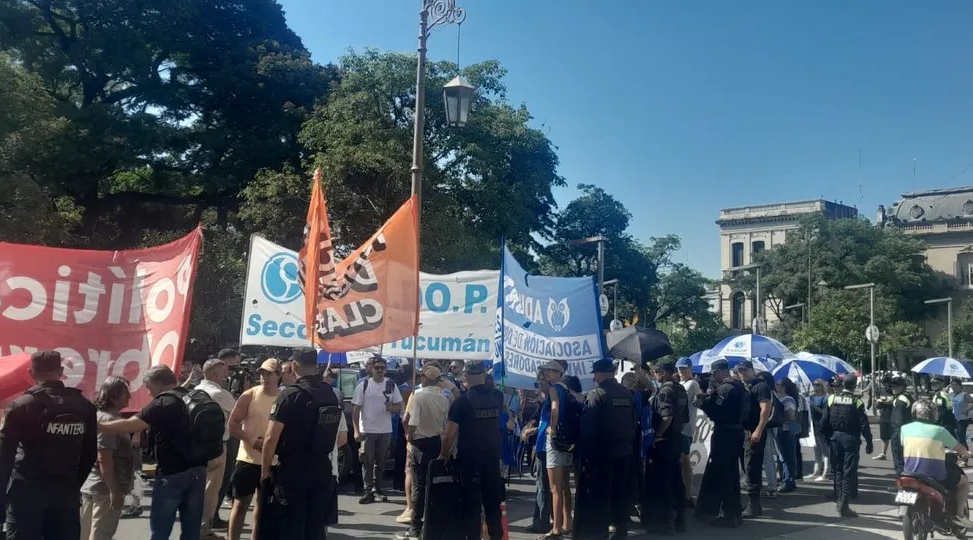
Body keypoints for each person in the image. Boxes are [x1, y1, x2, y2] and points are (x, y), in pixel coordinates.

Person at [100, 364, 210, 540]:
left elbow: (132, 424)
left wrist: (98, 426)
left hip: (171, 474)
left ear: (159, 383)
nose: (149, 393)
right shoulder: (192, 396)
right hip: (199, 470)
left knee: (160, 531)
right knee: (191, 529)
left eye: (149, 387)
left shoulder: (162, 402)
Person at [0, 350, 97, 540]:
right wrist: (72, 484)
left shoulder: (21, 406)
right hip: (65, 491)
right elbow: (90, 453)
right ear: (61, 371)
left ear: (31, 373)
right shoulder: (84, 405)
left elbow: (4, 458)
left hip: (27, 491)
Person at [260, 347, 344, 540]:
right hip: (321, 467)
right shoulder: (330, 393)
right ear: (315, 366)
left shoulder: (289, 395)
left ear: (294, 365)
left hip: (293, 470)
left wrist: (265, 472)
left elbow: (271, 438)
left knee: (292, 525)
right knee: (315, 526)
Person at [438, 361, 504, 540]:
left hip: (470, 462)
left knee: (471, 509)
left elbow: (448, 435)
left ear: (465, 376)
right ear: (484, 374)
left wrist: (443, 455)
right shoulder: (498, 397)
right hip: (492, 460)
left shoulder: (462, 401)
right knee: (493, 507)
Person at [573, 359, 634, 539]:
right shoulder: (626, 393)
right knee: (619, 491)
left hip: (600, 453)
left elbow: (588, 428)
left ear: (599, 374)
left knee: (600, 493)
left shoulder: (597, 394)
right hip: (623, 450)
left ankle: (598, 532)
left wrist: (581, 452)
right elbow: (632, 423)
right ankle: (621, 530)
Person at [226, 358, 281, 540]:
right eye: (262, 373)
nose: (264, 377)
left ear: (278, 376)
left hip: (272, 460)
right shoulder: (249, 395)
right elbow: (232, 424)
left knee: (262, 506)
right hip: (248, 459)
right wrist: (250, 439)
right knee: (240, 504)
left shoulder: (284, 397)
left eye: (269, 373)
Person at [396, 365, 450, 540]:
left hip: (420, 442)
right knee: (433, 485)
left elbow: (412, 421)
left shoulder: (419, 396)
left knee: (419, 485)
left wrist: (409, 437)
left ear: (426, 379)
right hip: (436, 441)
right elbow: (445, 423)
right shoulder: (443, 397)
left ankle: (415, 527)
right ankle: (431, 525)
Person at [901, 399, 973, 526]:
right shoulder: (939, 431)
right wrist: (967, 454)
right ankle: (960, 515)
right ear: (933, 414)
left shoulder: (905, 429)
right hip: (934, 476)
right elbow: (959, 448)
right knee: (963, 482)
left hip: (908, 473)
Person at [81, 377, 135, 540]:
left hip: (93, 484)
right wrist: (115, 492)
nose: (129, 397)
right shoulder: (109, 421)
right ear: (113, 397)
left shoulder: (98, 416)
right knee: (101, 533)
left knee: (84, 532)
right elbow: (104, 458)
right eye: (125, 394)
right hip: (104, 488)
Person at [695, 358, 746, 528]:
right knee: (732, 472)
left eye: (714, 373)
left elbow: (716, 412)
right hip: (737, 431)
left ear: (719, 372)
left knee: (724, 473)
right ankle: (735, 512)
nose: (713, 377)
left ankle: (729, 514)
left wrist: (703, 403)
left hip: (725, 432)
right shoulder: (739, 386)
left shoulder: (725, 389)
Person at [352, 356, 403, 504]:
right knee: (367, 461)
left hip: (385, 430)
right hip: (367, 429)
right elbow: (356, 409)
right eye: (377, 368)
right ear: (371, 369)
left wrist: (391, 408)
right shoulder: (364, 385)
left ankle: (378, 489)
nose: (380, 371)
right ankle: (367, 490)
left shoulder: (391, 385)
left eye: (382, 368)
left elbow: (399, 406)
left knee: (381, 462)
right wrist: (356, 430)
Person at [820, 374, 872, 517]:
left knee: (837, 470)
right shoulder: (857, 402)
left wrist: (827, 438)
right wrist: (869, 442)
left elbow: (824, 421)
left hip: (835, 438)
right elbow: (864, 425)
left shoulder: (831, 399)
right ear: (855, 386)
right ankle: (844, 505)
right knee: (848, 471)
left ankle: (838, 499)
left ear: (843, 384)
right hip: (851, 439)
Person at [196, 358, 237, 540]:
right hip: (216, 447)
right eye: (223, 371)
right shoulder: (219, 393)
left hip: (195, 447)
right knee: (211, 490)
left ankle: (195, 527)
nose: (226, 374)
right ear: (214, 374)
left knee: (197, 488)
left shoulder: (196, 391)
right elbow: (239, 413)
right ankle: (204, 530)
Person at [649, 359, 688, 535]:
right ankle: (680, 518)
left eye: (656, 372)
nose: (655, 375)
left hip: (665, 440)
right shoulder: (680, 389)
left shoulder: (665, 391)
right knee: (676, 479)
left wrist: (657, 435)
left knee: (664, 480)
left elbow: (667, 417)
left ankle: (666, 522)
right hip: (677, 438)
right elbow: (685, 417)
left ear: (663, 372)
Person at [539, 360, 573, 539]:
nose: (545, 374)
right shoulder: (566, 389)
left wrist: (552, 429)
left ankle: (556, 529)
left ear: (556, 373)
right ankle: (567, 523)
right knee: (565, 486)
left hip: (555, 441)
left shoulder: (554, 390)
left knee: (554, 488)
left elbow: (555, 410)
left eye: (548, 371)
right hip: (567, 440)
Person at [735, 360, 773, 518]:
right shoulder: (745, 386)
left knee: (752, 466)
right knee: (746, 465)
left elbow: (765, 409)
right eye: (739, 370)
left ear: (752, 370)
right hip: (743, 430)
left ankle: (754, 505)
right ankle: (752, 503)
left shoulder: (761, 386)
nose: (741, 373)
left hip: (754, 431)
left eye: (744, 370)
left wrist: (758, 429)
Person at [215, 348, 244, 529]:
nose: (236, 368)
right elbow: (237, 408)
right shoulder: (221, 387)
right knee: (222, 476)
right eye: (234, 364)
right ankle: (211, 516)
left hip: (221, 435)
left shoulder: (227, 382)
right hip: (225, 435)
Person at [676, 357, 701, 508]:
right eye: (679, 369)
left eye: (684, 368)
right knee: (682, 461)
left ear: (690, 368)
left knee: (684, 462)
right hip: (682, 428)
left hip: (685, 428)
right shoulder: (681, 383)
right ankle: (686, 494)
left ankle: (688, 494)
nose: (681, 371)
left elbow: (679, 397)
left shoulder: (692, 383)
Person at [774, 378, 799, 493]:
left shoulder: (788, 400)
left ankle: (788, 482)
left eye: (778, 384)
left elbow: (791, 417)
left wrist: (778, 417)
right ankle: (786, 479)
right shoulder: (780, 398)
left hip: (786, 431)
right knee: (782, 457)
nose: (776, 386)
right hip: (781, 431)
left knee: (786, 457)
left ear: (784, 387)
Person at [889, 377, 914, 476]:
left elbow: (898, 419)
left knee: (898, 457)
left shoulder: (901, 399)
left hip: (899, 430)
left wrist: (897, 432)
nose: (893, 388)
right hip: (907, 430)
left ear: (903, 387)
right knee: (905, 456)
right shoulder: (907, 396)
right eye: (892, 386)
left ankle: (900, 479)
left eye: (896, 386)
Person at [808, 378, 831, 480]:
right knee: (816, 451)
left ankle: (826, 471)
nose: (815, 386)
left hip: (822, 426)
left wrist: (813, 406)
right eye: (814, 384)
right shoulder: (811, 397)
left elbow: (824, 413)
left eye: (817, 384)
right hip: (813, 426)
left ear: (822, 386)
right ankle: (816, 471)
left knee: (825, 451)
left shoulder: (825, 398)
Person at [873, 378, 894, 461]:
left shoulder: (895, 392)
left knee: (896, 438)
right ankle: (883, 454)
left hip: (894, 418)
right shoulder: (880, 392)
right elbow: (877, 406)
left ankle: (899, 455)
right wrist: (878, 402)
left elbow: (893, 402)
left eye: (889, 384)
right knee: (884, 437)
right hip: (884, 418)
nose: (887, 386)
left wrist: (885, 402)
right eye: (885, 384)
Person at [949, 378, 973, 450]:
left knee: (960, 439)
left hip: (962, 420)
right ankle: (961, 454)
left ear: (960, 386)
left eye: (955, 385)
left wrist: (967, 409)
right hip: (954, 419)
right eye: (952, 385)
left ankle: (965, 455)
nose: (953, 387)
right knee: (956, 438)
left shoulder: (964, 395)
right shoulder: (951, 395)